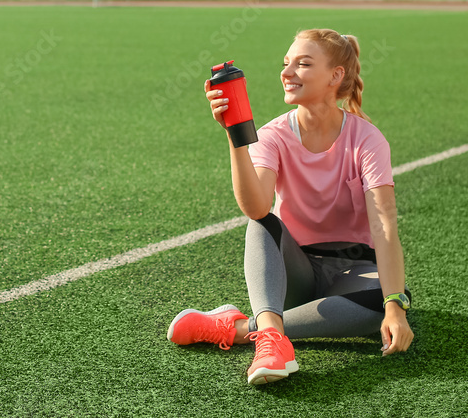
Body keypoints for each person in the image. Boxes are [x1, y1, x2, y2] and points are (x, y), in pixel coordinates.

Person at [167, 28, 413, 385]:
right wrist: (235, 136)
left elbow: (384, 228)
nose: (287, 72)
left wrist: (394, 306)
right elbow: (255, 207)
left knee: (389, 301)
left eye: (303, 64)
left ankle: (241, 328)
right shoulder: (272, 135)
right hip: (295, 271)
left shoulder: (367, 139)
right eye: (286, 63)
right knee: (262, 223)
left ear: (336, 76)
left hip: (354, 270)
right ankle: (271, 341)